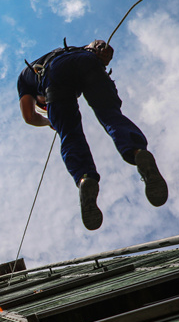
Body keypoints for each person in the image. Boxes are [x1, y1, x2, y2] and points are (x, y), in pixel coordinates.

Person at [17, 39, 168, 231]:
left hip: (54, 76)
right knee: (110, 115)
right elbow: (98, 44)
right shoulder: (74, 49)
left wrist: (50, 121)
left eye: (44, 105)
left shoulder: (25, 78)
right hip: (86, 60)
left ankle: (84, 178)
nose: (45, 105)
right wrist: (103, 51)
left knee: (69, 134)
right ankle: (138, 152)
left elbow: (29, 117)